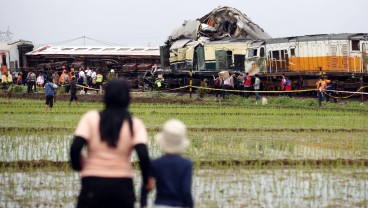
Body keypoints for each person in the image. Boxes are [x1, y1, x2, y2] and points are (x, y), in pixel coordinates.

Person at [69, 79, 151, 208]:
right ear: (127, 98)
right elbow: (143, 156)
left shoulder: (90, 118)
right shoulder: (134, 124)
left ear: (106, 96)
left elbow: (75, 148)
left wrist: (78, 166)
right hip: (122, 185)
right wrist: (147, 181)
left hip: (92, 182)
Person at [141, 119, 193, 208]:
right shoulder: (186, 164)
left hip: (159, 204)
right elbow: (186, 190)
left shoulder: (155, 163)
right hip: (179, 205)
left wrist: (143, 203)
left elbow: (146, 186)